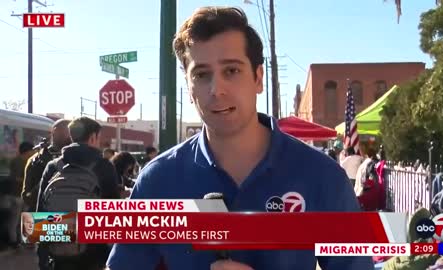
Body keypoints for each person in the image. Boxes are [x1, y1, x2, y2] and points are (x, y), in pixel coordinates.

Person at [107, 6, 373, 270]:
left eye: (231, 71)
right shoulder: (158, 181)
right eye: (201, 75)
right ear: (189, 88)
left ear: (258, 78)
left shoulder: (322, 176)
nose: (216, 90)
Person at [37, 117, 120, 270]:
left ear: (71, 136)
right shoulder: (104, 167)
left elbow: (40, 212)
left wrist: (42, 255)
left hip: (58, 249)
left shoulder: (53, 166)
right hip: (93, 251)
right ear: (93, 137)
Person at [21, 119, 71, 211]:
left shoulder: (79, 160)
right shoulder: (36, 160)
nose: (70, 138)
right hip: (44, 217)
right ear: (55, 131)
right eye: (68, 133)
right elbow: (27, 198)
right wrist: (48, 178)